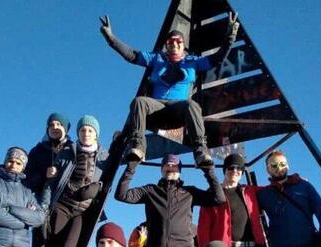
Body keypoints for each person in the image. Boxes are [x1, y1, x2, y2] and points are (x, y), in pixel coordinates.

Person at [99, 13, 239, 167]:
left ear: (182, 44)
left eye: (178, 41)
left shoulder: (192, 62)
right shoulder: (157, 59)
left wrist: (230, 37)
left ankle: (200, 151)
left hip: (177, 111)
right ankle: (138, 146)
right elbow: (132, 55)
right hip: (156, 110)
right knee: (139, 101)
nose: (174, 44)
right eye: (170, 42)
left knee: (192, 105)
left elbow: (216, 58)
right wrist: (111, 38)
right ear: (166, 45)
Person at [45, 115, 109, 247]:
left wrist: (98, 186)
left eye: (90, 130)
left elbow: (108, 178)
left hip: (82, 210)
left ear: (96, 134)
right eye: (82, 130)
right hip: (62, 206)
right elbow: (53, 180)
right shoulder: (67, 151)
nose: (86, 133)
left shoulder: (104, 156)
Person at [24, 113, 76, 247]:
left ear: (65, 128)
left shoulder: (74, 150)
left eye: (58, 125)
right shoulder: (37, 151)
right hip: (40, 206)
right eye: (51, 125)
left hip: (65, 207)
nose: (54, 128)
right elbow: (26, 181)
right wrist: (43, 175)